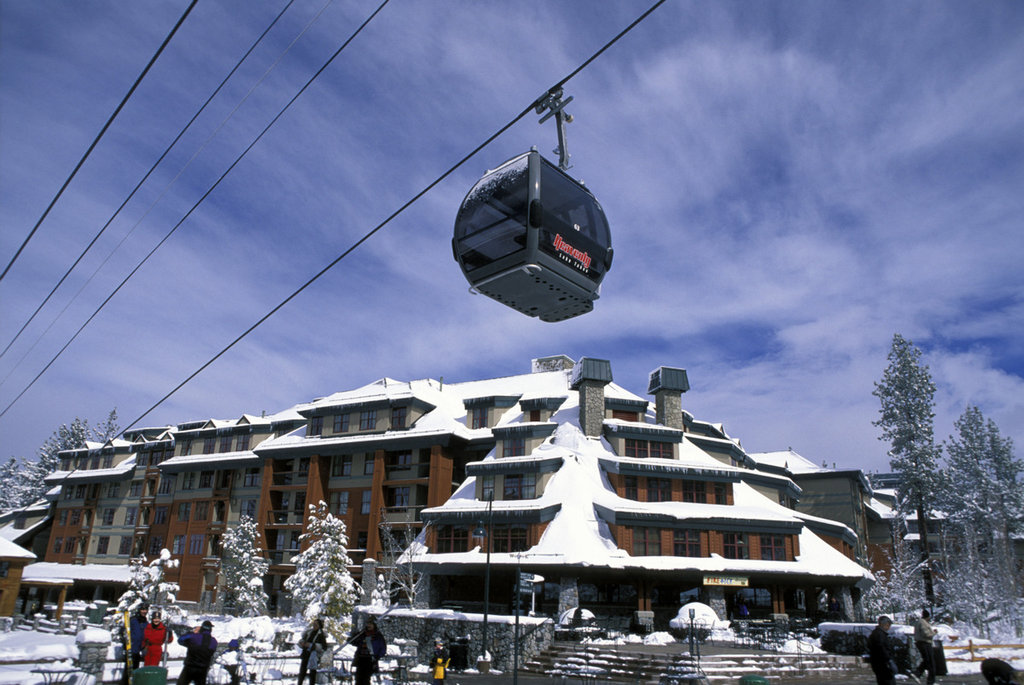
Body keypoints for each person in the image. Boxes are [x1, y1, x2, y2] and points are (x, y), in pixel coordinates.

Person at [177, 620, 219, 685]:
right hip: (203, 669)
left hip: (190, 667)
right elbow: (212, 651)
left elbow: (180, 640)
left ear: (202, 628)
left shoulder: (194, 636)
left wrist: (193, 632)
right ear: (210, 630)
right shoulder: (214, 641)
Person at [349, 619, 386, 685]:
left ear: (374, 625)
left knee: (365, 679)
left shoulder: (377, 636)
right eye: (368, 624)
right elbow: (354, 642)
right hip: (361, 658)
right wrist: (354, 636)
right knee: (358, 678)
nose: (369, 625)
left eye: (370, 624)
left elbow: (383, 648)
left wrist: (377, 657)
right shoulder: (362, 634)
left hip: (370, 660)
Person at [121, 603, 149, 685]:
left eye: (145, 610)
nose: (144, 611)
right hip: (130, 649)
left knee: (135, 671)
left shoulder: (146, 623)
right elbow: (124, 630)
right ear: (139, 610)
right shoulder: (133, 620)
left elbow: (146, 636)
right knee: (128, 671)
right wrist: (124, 637)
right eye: (142, 609)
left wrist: (145, 647)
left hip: (138, 651)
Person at [868, 615, 897, 685]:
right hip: (882, 665)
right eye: (887, 625)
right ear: (882, 624)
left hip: (880, 664)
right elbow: (882, 649)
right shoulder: (879, 635)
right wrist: (889, 661)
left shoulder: (878, 633)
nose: (889, 627)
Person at [297, 618, 328, 685]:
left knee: (312, 674)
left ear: (319, 626)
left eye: (316, 624)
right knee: (302, 672)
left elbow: (323, 647)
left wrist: (312, 645)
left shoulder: (321, 635)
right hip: (306, 654)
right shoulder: (309, 632)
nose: (314, 626)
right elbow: (301, 640)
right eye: (313, 624)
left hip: (313, 656)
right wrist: (302, 643)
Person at [912, 609, 937, 684]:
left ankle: (919, 674)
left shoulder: (919, 622)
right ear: (927, 616)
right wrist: (933, 633)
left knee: (927, 661)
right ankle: (919, 674)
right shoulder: (923, 623)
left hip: (921, 643)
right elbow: (926, 634)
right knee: (930, 661)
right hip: (925, 643)